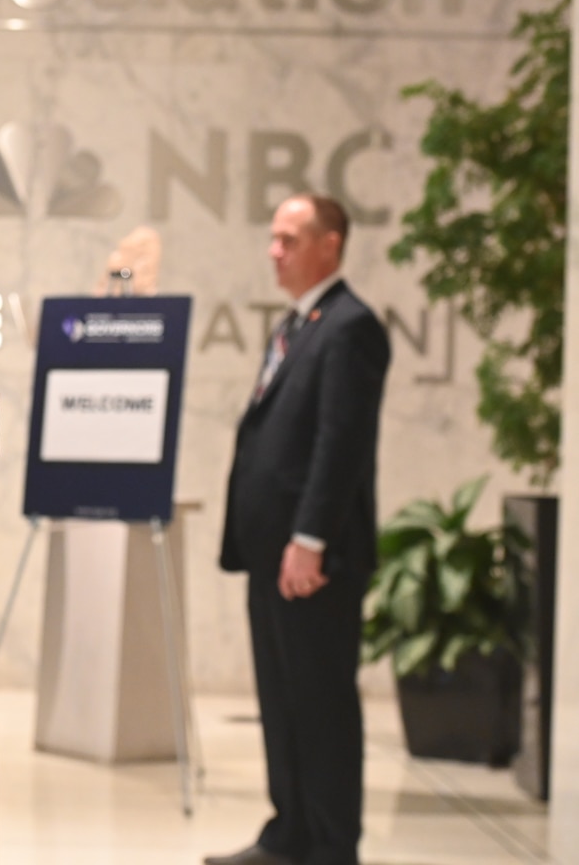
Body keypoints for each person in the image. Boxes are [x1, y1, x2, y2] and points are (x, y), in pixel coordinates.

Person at [207, 194, 390, 865]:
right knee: (282, 705)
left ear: (329, 246)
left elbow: (339, 445)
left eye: (288, 238)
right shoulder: (297, 325)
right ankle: (289, 834)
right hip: (269, 551)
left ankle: (330, 847)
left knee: (320, 707)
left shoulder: (350, 327)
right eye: (273, 236)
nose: (272, 250)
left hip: (311, 558)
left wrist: (309, 539)